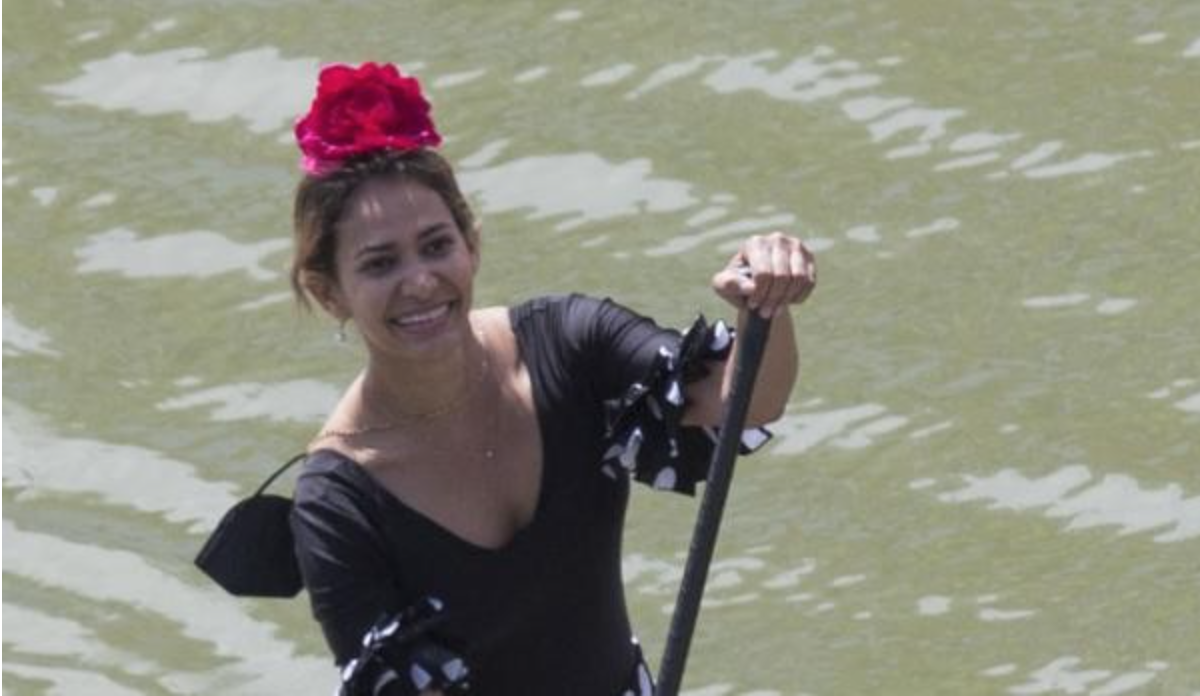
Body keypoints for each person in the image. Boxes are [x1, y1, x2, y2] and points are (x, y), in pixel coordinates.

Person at [288, 62, 817, 696]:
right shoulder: (337, 504)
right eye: (379, 263)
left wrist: (766, 304)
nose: (420, 281)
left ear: (472, 244)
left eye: (436, 246)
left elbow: (747, 402)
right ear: (329, 292)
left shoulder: (570, 342)